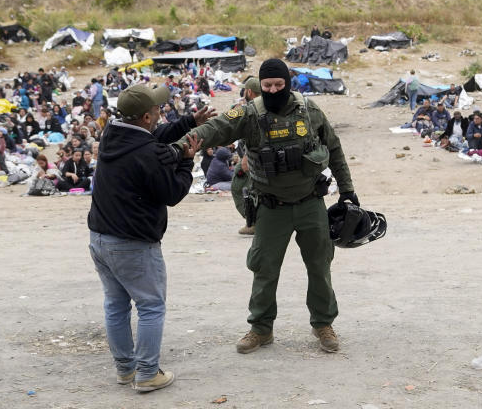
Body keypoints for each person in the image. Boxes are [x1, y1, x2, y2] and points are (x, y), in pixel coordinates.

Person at [180, 58, 355, 355]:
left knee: (319, 265)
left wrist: (348, 190)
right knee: (264, 268)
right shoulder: (249, 114)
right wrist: (185, 142)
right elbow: (217, 128)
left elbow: (334, 148)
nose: (273, 90)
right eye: (267, 86)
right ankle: (260, 328)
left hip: (311, 202)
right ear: (259, 86)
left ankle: (323, 323)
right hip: (272, 208)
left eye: (279, 85)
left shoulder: (309, 111)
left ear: (288, 83)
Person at [87, 84, 202, 393]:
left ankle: (125, 370)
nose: (161, 114)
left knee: (115, 304)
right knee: (151, 306)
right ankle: (148, 373)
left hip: (100, 237)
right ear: (148, 116)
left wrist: (188, 122)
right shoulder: (147, 153)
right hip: (132, 243)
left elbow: (155, 138)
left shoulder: (112, 133)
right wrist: (188, 160)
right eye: (158, 111)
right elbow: (173, 192)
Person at [230, 77, 261, 235]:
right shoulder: (261, 106)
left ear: (249, 91)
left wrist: (247, 155)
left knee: (245, 188)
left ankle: (254, 222)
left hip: (252, 157)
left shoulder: (251, 109)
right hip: (252, 155)